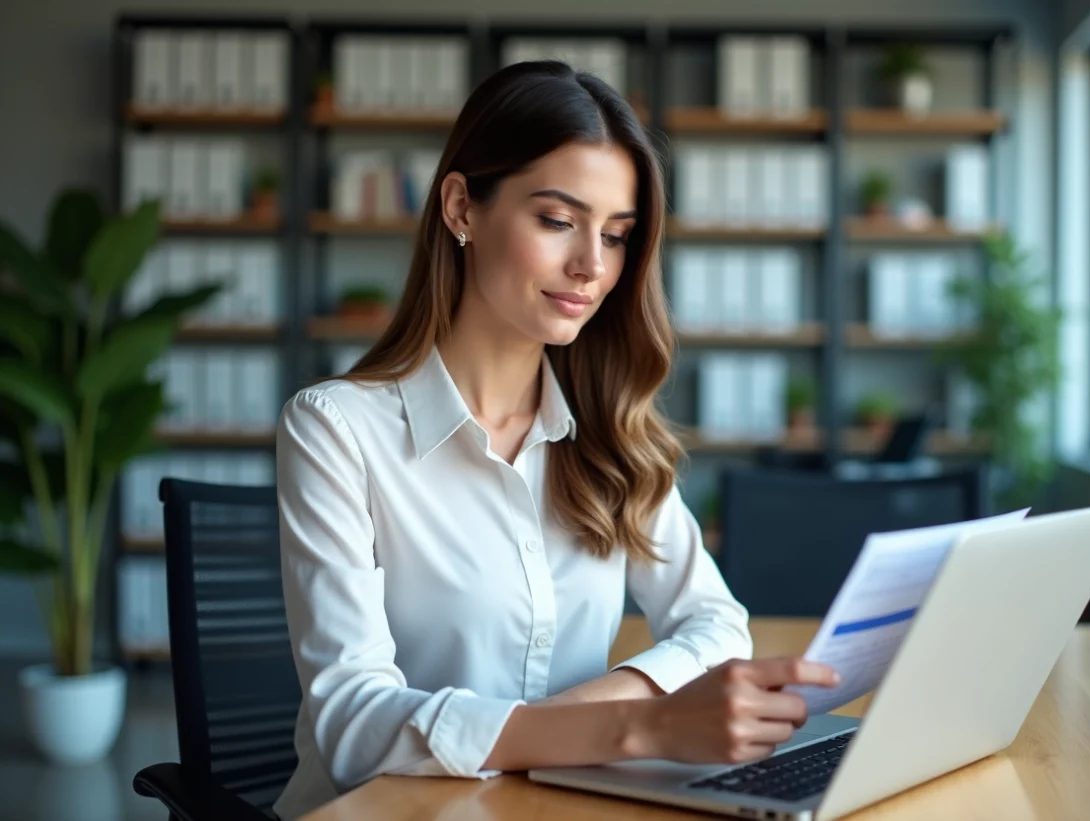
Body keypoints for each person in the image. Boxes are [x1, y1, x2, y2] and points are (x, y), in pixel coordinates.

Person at [272, 60, 840, 821]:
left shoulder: (609, 431)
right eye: (556, 220)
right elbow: (354, 724)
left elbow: (716, 624)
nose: (592, 267)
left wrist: (584, 714)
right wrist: (639, 725)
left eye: (616, 235)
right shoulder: (336, 429)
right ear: (461, 207)